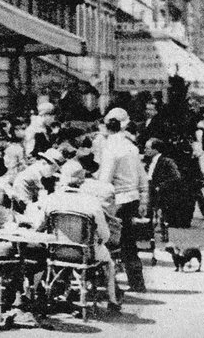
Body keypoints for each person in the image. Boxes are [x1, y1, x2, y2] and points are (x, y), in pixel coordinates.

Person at [28, 160, 120, 310]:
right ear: (82, 181)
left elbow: (38, 227)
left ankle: (45, 292)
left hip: (55, 252)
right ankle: (112, 300)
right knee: (109, 262)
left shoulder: (51, 199)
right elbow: (105, 235)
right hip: (85, 253)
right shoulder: (92, 202)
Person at [98, 107, 147, 292]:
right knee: (128, 242)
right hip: (131, 198)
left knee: (106, 241)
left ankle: (109, 284)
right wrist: (143, 198)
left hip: (116, 199)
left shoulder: (110, 148)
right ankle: (137, 282)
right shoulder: (131, 147)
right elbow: (142, 176)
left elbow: (105, 181)